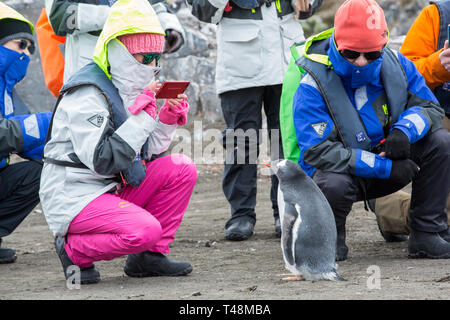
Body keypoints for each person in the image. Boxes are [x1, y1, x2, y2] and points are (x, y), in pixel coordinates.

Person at [39, 0, 196, 284]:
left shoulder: (127, 86)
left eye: (156, 57)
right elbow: (103, 160)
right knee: (144, 230)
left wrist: (167, 117)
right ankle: (73, 250)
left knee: (181, 168)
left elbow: (150, 151)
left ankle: (148, 257)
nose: (153, 65)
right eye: (144, 57)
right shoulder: (87, 92)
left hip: (110, 186)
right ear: (119, 52)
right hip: (75, 194)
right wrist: (146, 116)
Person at [289, 0, 450, 261]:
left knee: (441, 141)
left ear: (383, 45)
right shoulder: (311, 85)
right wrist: (383, 167)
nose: (362, 62)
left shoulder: (398, 63)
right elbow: (317, 152)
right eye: (351, 54)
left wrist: (404, 131)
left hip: (391, 157)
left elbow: (429, 107)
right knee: (332, 181)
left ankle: (427, 234)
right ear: (337, 43)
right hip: (347, 175)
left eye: (372, 54)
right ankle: (329, 239)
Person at [186, 0, 323, 241]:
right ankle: (241, 215)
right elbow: (203, 10)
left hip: (287, 59)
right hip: (239, 64)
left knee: (286, 140)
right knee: (241, 142)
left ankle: (286, 209)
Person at [370, 0, 450, 240]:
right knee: (443, 220)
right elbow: (402, 75)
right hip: (440, 119)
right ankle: (387, 207)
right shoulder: (437, 15)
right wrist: (440, 64)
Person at [0, 3, 52, 264]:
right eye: (20, 44)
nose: (26, 53)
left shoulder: (8, 91)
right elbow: (20, 130)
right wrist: (42, 125)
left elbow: (27, 143)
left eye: (29, 48)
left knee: (42, 173)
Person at [44, 0, 185, 87]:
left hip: (137, 72)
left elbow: (156, 4)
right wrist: (118, 15)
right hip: (90, 71)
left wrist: (169, 27)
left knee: (138, 126)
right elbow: (58, 15)